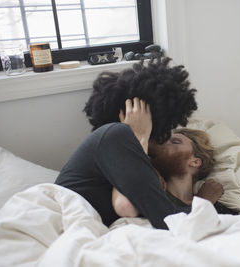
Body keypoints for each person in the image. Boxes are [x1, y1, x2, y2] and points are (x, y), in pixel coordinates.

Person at [55, 58, 224, 230]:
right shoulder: (115, 135)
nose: (166, 137)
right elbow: (168, 221)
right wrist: (139, 136)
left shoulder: (118, 146)